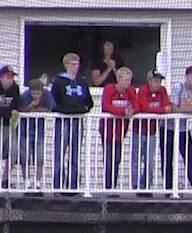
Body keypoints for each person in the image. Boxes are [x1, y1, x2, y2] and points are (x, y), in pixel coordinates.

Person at [51, 53, 93, 191]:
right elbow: (53, 102)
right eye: (72, 64)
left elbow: (89, 102)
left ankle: (73, 185)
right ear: (66, 65)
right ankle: (58, 185)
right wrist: (67, 110)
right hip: (63, 120)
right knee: (60, 153)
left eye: (77, 64)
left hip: (77, 121)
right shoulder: (59, 81)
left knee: (75, 153)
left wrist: (84, 109)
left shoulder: (82, 81)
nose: (75, 67)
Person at [166, 65, 192, 191]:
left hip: (183, 128)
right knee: (168, 158)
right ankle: (169, 188)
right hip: (169, 128)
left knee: (190, 156)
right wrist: (191, 110)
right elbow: (173, 108)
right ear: (187, 76)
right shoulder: (178, 87)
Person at [132, 70, 171, 191]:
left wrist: (161, 109)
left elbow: (168, 106)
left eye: (159, 81)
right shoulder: (143, 90)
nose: (158, 84)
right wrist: (161, 110)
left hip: (152, 131)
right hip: (139, 130)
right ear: (149, 81)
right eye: (155, 81)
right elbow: (144, 108)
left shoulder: (162, 91)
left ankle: (147, 186)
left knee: (150, 159)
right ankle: (136, 186)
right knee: (137, 159)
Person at [100, 67, 136, 191]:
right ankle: (108, 188)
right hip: (107, 130)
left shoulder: (130, 91)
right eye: (126, 80)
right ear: (119, 79)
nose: (128, 83)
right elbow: (107, 106)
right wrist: (123, 112)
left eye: (129, 80)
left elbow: (136, 105)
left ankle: (113, 186)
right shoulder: (109, 89)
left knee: (117, 159)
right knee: (109, 159)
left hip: (121, 131)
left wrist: (131, 111)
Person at [17, 77, 53, 190]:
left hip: (39, 130)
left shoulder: (47, 94)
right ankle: (26, 180)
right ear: (30, 91)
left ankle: (38, 181)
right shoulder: (25, 96)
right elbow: (20, 110)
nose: (36, 96)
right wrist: (31, 106)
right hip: (24, 130)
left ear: (42, 91)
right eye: (34, 93)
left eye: (38, 93)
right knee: (25, 156)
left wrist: (34, 110)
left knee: (40, 157)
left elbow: (50, 108)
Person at [0, 66, 20, 188]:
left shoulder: (15, 88)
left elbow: (16, 106)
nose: (10, 79)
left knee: (13, 152)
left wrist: (11, 112)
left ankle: (5, 179)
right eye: (7, 77)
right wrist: (8, 111)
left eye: (12, 77)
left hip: (9, 125)